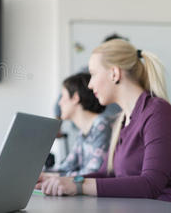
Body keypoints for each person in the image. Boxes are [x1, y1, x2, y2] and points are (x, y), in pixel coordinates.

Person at [37, 39, 171, 201]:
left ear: (114, 73)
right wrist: (59, 180)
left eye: (93, 74)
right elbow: (106, 174)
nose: (90, 85)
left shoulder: (157, 112)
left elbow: (151, 184)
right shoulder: (122, 120)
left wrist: (78, 186)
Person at [55, 72, 113, 176]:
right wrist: (43, 175)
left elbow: (93, 172)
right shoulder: (83, 132)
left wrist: (56, 177)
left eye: (63, 96)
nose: (60, 103)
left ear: (75, 98)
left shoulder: (102, 126)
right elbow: (67, 166)